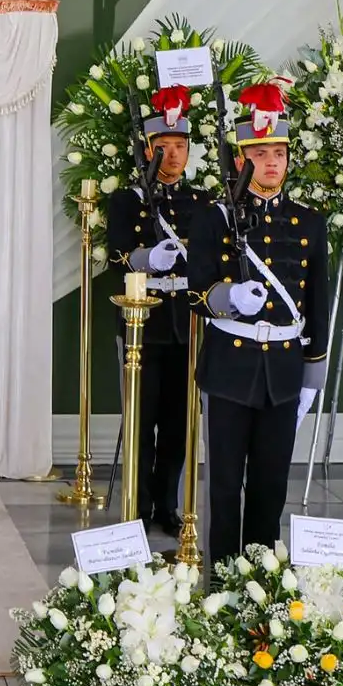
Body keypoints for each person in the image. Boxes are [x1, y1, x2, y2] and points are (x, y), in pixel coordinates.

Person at [186, 82, 330, 563]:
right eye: (260, 153)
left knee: (271, 485)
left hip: (285, 374)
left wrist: (313, 377)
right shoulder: (214, 218)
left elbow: (318, 305)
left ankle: (261, 579)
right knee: (225, 485)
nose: (272, 163)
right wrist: (228, 298)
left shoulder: (309, 223)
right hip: (230, 366)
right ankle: (223, 582)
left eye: (279, 153)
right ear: (240, 161)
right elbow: (195, 290)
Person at [105, 86, 206, 536]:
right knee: (142, 422)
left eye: (180, 146)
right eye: (164, 147)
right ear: (148, 150)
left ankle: (167, 503)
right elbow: (116, 254)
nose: (173, 155)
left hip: (187, 321)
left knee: (179, 422)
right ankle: (139, 505)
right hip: (144, 320)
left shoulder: (203, 201)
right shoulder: (127, 199)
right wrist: (149, 258)